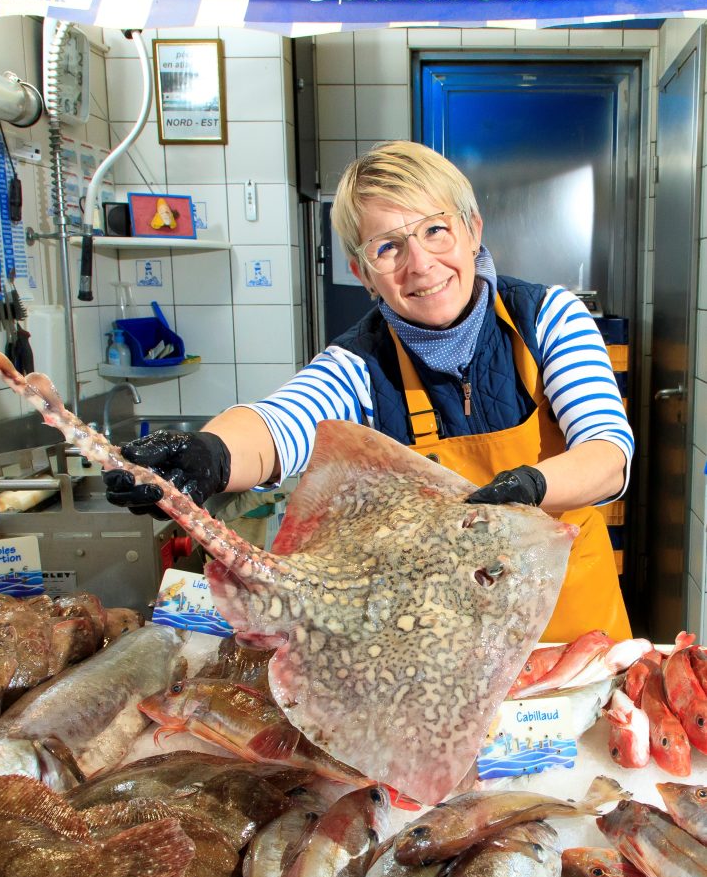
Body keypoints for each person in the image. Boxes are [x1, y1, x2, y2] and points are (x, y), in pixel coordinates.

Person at [104, 140, 633, 641]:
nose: (420, 264)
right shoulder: (361, 361)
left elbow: (607, 452)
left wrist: (533, 488)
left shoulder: (548, 318)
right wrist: (211, 454)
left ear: (472, 230)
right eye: (389, 247)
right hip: (443, 642)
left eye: (435, 231)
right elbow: (281, 424)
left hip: (569, 625)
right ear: (363, 273)